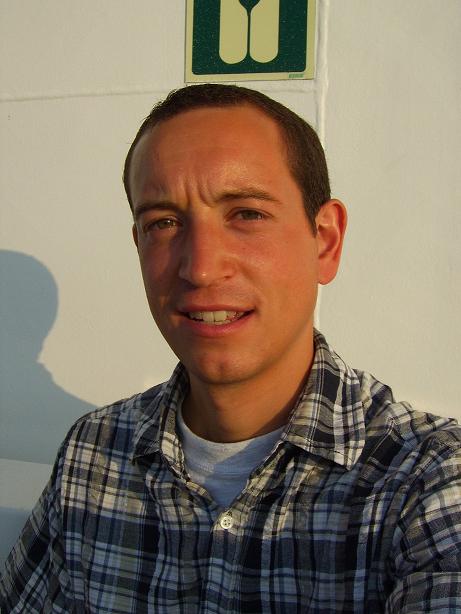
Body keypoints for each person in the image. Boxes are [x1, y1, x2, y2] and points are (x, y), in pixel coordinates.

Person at [1, 84, 460, 613]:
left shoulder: (429, 483)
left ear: (325, 240)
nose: (200, 268)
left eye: (246, 214)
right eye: (163, 223)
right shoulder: (92, 455)